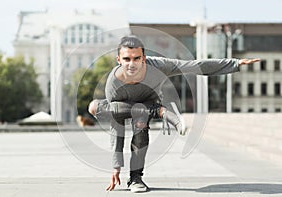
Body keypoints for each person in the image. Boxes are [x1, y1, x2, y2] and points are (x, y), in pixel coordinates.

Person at [88, 35, 260, 193]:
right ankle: (161, 112)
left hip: (147, 106)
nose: (131, 64)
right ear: (119, 60)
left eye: (136, 58)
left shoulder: (159, 66)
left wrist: (234, 64)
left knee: (140, 124)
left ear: (144, 59)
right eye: (126, 59)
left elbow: (194, 66)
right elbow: (116, 125)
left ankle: (135, 178)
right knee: (95, 107)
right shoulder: (113, 83)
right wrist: (116, 165)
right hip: (129, 108)